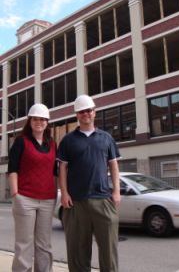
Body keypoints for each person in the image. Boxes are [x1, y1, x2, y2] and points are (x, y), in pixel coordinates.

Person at [57, 94, 121, 272]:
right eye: (82, 111)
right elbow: (62, 168)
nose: (86, 114)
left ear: (94, 112)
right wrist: (64, 193)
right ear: (77, 115)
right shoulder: (68, 140)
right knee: (78, 251)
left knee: (109, 250)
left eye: (89, 110)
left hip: (103, 200)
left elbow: (114, 165)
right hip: (76, 202)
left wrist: (116, 191)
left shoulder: (106, 138)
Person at [8, 103, 57, 272]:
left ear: (47, 122)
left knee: (44, 244)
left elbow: (55, 171)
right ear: (30, 121)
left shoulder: (52, 143)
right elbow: (12, 169)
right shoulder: (21, 142)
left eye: (43, 119)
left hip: (48, 200)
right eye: (36, 119)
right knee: (24, 244)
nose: (39, 122)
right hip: (25, 198)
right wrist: (15, 194)